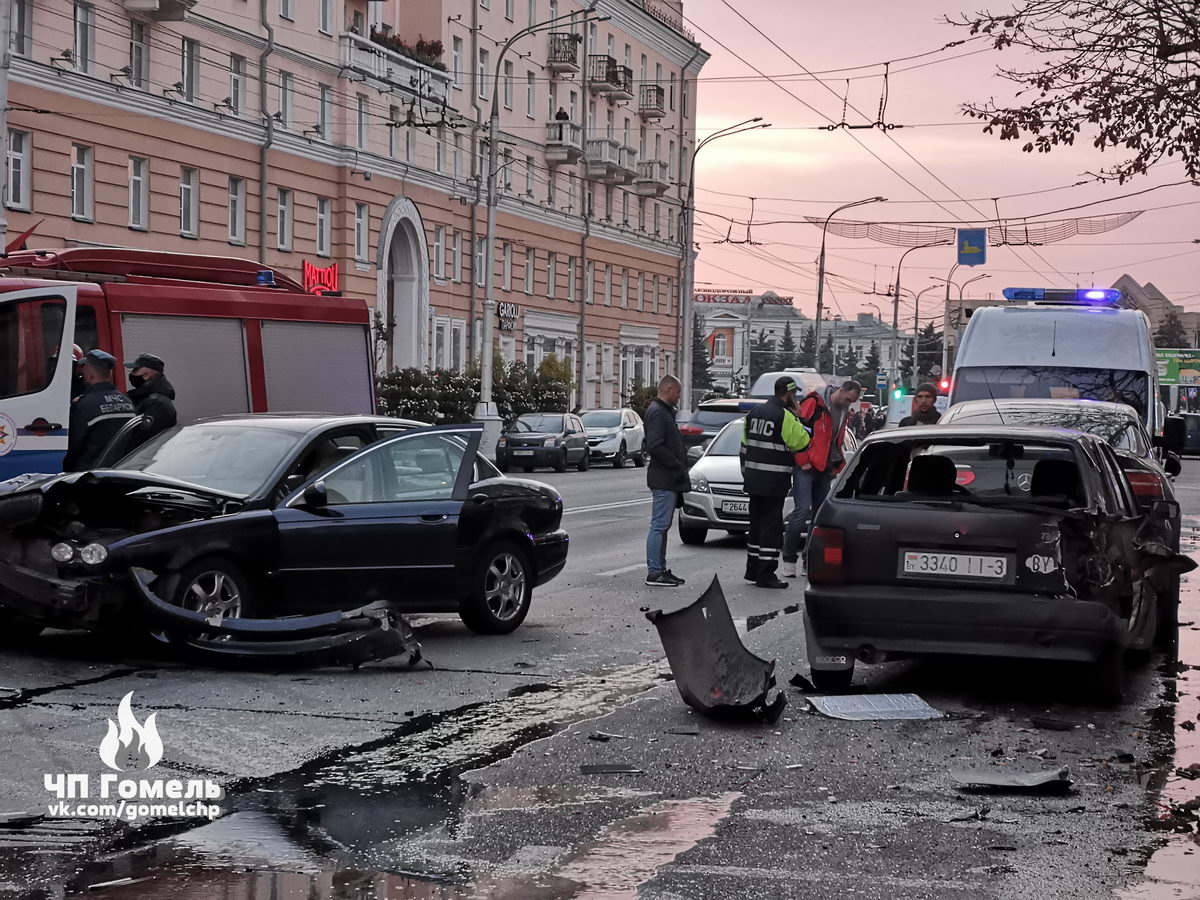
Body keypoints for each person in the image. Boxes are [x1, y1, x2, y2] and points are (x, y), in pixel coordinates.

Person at [781, 379, 862, 578]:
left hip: (825, 467)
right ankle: (789, 559)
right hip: (806, 466)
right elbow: (796, 433)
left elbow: (836, 440)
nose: (848, 403)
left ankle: (808, 561)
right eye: (848, 399)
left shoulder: (843, 411)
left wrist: (837, 464)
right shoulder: (814, 403)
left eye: (852, 401)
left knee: (819, 516)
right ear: (841, 390)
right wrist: (802, 460)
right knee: (801, 511)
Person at [741, 376, 811, 589]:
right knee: (771, 528)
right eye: (794, 394)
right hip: (773, 482)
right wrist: (799, 417)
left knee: (756, 526)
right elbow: (803, 442)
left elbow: (744, 447)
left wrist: (747, 475)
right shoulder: (785, 417)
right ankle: (766, 574)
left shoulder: (753, 414)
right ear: (789, 393)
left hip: (753, 481)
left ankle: (752, 569)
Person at [643, 374, 690, 587]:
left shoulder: (663, 412)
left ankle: (660, 569)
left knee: (662, 526)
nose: (679, 396)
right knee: (659, 525)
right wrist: (676, 464)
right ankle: (654, 572)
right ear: (668, 389)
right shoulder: (657, 413)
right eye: (678, 392)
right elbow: (655, 445)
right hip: (664, 478)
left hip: (668, 478)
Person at [63, 350, 136, 472]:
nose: (82, 371)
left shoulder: (85, 404)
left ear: (91, 373)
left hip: (91, 474)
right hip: (121, 471)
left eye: (84, 367)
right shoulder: (127, 402)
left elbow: (74, 446)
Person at [124, 353, 178, 442]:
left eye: (135, 369)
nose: (132, 373)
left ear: (146, 375)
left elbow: (146, 440)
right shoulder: (144, 398)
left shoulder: (157, 404)